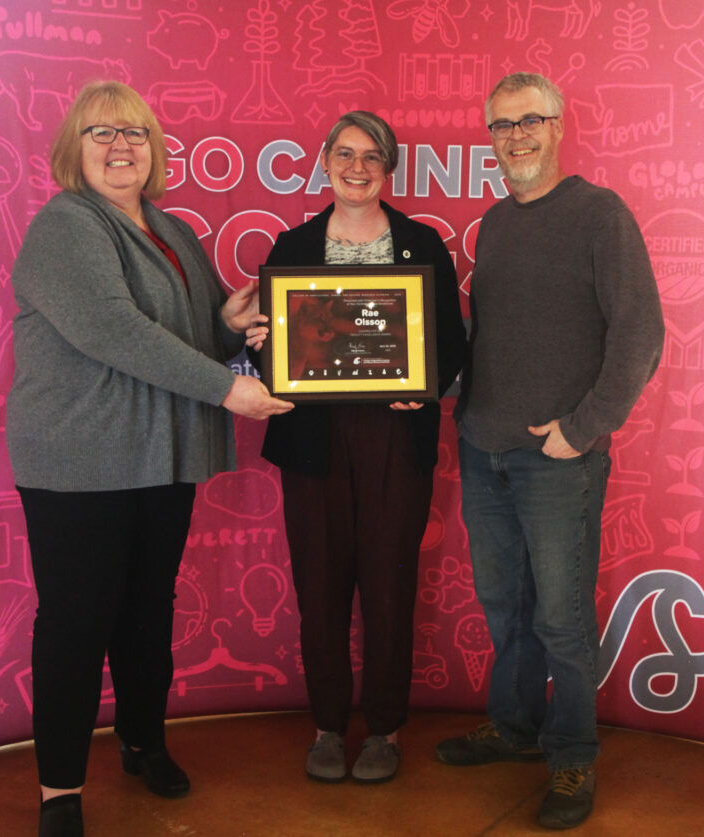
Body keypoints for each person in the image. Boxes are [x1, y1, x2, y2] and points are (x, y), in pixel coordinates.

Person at [6, 80, 292, 837]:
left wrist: (229, 328)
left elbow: (189, 340)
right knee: (75, 622)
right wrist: (231, 395)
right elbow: (115, 332)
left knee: (145, 612)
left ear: (156, 150)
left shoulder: (169, 228)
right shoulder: (66, 225)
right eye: (101, 133)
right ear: (75, 148)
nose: (120, 146)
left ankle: (142, 742)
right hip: (80, 461)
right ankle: (60, 790)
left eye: (134, 133)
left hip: (160, 457)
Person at [435, 74, 664, 829]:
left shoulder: (600, 215)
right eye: (500, 125)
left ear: (558, 125)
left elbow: (639, 335)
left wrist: (584, 426)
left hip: (559, 458)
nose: (515, 136)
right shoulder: (494, 225)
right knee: (506, 606)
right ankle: (514, 726)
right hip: (483, 446)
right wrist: (438, 387)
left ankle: (571, 755)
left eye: (529, 120)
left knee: (561, 617)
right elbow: (491, 336)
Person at [246, 111, 466, 785]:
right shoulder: (292, 245)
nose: (358, 166)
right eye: (346, 153)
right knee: (320, 585)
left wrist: (424, 386)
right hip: (312, 438)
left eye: (373, 156)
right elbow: (267, 342)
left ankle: (386, 728)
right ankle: (326, 724)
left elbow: (452, 343)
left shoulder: (422, 245)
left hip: (396, 438)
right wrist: (262, 348)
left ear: (389, 167)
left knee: (390, 584)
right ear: (325, 160)